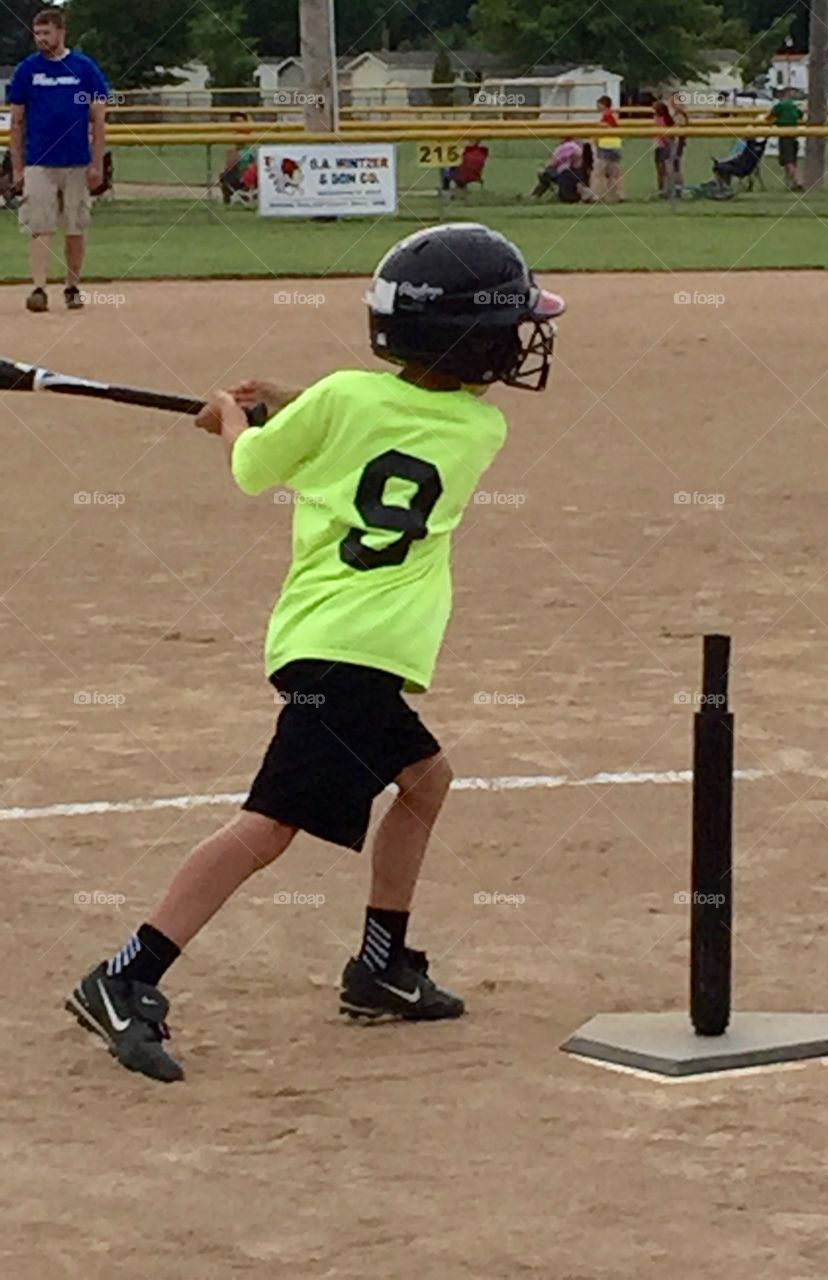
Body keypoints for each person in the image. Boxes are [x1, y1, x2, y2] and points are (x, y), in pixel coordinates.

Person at [63, 223, 567, 1084]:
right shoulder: (478, 430)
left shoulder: (343, 399)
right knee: (270, 825)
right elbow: (378, 425)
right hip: (350, 655)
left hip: (331, 644)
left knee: (423, 780)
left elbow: (256, 468)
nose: (519, 340)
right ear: (467, 344)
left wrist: (229, 422)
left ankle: (380, 967)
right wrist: (291, 408)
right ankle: (124, 976)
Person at [5, 7, 109, 313]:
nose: (41, 39)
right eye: (37, 33)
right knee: (40, 225)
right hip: (39, 161)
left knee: (75, 225)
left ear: (61, 32)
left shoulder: (84, 68)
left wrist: (97, 162)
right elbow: (17, 122)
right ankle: (38, 287)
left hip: (77, 160)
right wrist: (18, 166)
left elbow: (99, 119)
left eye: (46, 32)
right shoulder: (28, 70)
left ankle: (72, 285)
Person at [528, 137, 594, 202]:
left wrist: (543, 166)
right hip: (580, 175)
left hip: (566, 175)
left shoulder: (567, 146)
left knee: (544, 173)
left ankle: (533, 196)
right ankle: (533, 195)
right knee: (547, 174)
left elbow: (552, 163)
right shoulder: (580, 145)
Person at [768, 87, 803, 192]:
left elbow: (769, 118)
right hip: (794, 135)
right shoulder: (794, 106)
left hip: (784, 135)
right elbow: (800, 116)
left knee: (788, 161)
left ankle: (798, 181)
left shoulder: (779, 106)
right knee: (792, 160)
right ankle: (791, 183)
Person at [219, 112, 258, 204]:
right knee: (224, 174)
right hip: (237, 175)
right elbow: (228, 165)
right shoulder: (231, 148)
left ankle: (250, 194)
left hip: (250, 176)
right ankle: (230, 197)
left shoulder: (254, 147)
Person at [593, 94, 624, 202]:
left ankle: (599, 195)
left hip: (605, 146)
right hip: (616, 145)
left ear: (603, 105)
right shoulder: (613, 116)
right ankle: (619, 195)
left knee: (599, 173)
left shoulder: (607, 117)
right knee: (615, 173)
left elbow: (602, 131)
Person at [653, 96, 674, 193]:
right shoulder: (656, 118)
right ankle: (661, 187)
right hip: (658, 145)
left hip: (663, 145)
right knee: (659, 169)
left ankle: (667, 187)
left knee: (664, 168)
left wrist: (666, 142)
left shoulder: (664, 119)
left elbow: (667, 133)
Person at [670, 92, 689, 191]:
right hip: (675, 143)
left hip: (679, 143)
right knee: (674, 166)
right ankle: (675, 186)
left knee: (677, 165)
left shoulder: (681, 115)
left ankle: (679, 187)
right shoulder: (674, 114)